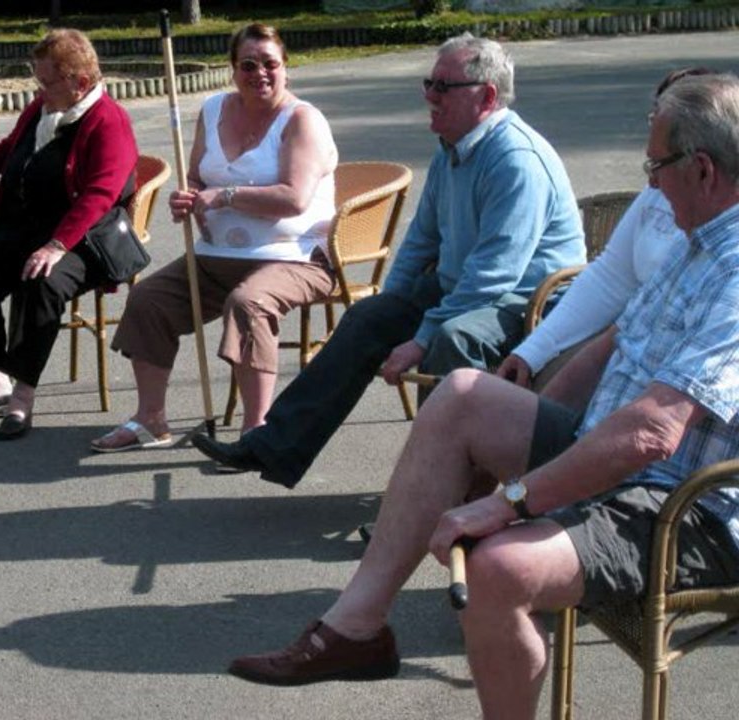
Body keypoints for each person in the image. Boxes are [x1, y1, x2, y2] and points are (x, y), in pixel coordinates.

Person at [227, 73, 739, 720]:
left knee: (498, 568)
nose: (649, 180)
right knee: (466, 394)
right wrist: (528, 396)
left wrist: (511, 499)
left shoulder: (734, 268)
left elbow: (652, 435)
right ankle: (358, 627)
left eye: (656, 164)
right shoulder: (696, 241)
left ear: (701, 171)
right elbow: (616, 342)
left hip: (681, 509)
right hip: (619, 461)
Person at [192, 33, 586, 488]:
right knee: (369, 317)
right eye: (428, 83)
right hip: (465, 287)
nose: (429, 96)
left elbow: (496, 273)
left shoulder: (515, 160)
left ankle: (433, 494)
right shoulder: (454, 146)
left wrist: (420, 339)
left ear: (487, 96)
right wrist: (395, 303)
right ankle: (273, 444)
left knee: (453, 339)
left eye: (444, 87)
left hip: (529, 297)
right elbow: (421, 241)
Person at [90, 23, 339, 452]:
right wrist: (186, 198)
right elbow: (196, 176)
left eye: (269, 64)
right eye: (248, 64)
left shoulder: (302, 120)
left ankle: (256, 431)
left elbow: (294, 199)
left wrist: (223, 197)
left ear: (286, 69)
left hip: (293, 259)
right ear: (232, 69)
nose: (259, 72)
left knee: (248, 303)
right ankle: (151, 419)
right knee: (148, 300)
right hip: (214, 256)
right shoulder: (213, 110)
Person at [0, 29, 138, 440]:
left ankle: (23, 394)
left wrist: (56, 245)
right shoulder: (42, 110)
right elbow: (10, 150)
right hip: (31, 229)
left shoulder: (108, 121)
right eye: (38, 81)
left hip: (85, 240)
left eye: (46, 82)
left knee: (38, 280)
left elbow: (98, 196)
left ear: (79, 83)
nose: (39, 91)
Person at [496, 67, 713, 392]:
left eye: (664, 121)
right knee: (526, 389)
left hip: (666, 371)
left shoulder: (722, 225)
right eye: (654, 115)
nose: (651, 180)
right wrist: (532, 352)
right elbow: (609, 277)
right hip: (626, 338)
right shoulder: (655, 195)